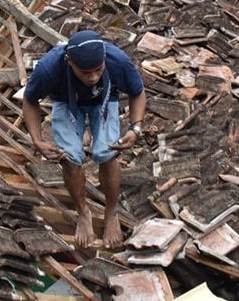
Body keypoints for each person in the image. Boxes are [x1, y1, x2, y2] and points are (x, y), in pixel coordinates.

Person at [22, 29, 146, 250]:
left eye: (98, 70)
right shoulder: (49, 68)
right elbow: (30, 100)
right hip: (66, 102)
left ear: (104, 60)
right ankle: (83, 212)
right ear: (69, 62)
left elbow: (138, 92)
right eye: (85, 73)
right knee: (69, 159)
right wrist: (36, 139)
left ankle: (110, 212)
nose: (93, 78)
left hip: (105, 100)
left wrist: (135, 129)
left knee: (107, 154)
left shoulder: (117, 60)